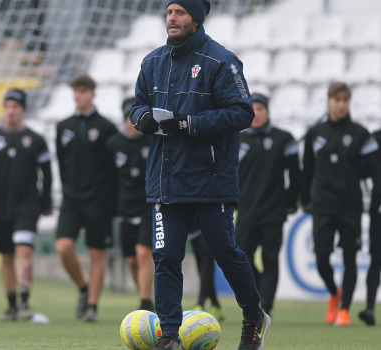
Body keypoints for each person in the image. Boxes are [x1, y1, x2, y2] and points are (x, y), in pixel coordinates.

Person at [131, 1, 271, 349]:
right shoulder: (152, 62)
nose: (172, 18)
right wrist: (141, 118)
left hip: (211, 178)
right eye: (168, 12)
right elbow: (136, 106)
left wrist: (189, 124)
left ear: (196, 18)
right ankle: (168, 337)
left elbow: (242, 112)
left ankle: (254, 315)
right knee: (165, 256)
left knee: (225, 252)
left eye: (179, 12)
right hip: (166, 180)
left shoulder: (221, 60)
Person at [302, 82, 379, 327]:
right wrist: (305, 199)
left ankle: (344, 310)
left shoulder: (360, 133)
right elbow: (307, 169)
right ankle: (334, 294)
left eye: (345, 100)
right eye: (337, 99)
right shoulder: (315, 133)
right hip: (323, 205)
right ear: (328, 101)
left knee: (350, 258)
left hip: (351, 206)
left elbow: (374, 169)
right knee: (321, 257)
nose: (341, 104)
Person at [0, 89, 52, 322]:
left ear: (23, 109)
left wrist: (45, 201)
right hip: (0, 205)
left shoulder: (35, 140)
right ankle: (11, 306)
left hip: (27, 205)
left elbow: (47, 173)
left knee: (24, 250)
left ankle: (25, 303)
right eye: (7, 106)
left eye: (15, 106)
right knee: (6, 256)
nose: (10, 110)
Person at [55, 75, 118, 322]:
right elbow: (62, 161)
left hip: (98, 200)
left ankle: (92, 306)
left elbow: (112, 168)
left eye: (83, 91)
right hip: (71, 199)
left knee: (96, 254)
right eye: (76, 91)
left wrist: (110, 200)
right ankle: (83, 287)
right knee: (63, 247)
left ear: (93, 93)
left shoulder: (106, 127)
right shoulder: (63, 126)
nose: (79, 95)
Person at [236, 93, 301, 317]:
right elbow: (230, 175)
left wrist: (291, 202)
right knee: (241, 255)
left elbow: (295, 174)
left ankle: (267, 305)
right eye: (252, 109)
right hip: (245, 211)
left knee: (270, 258)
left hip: (274, 211)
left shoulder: (284, 138)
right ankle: (262, 287)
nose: (256, 113)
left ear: (267, 111)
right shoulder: (238, 139)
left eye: (260, 109)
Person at [106, 97, 154, 312]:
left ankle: (145, 302)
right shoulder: (113, 143)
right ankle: (145, 297)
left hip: (148, 206)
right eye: (129, 117)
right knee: (132, 260)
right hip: (125, 207)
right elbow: (108, 177)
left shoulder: (152, 140)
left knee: (144, 252)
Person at [362, 128, 381, 326]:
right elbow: (364, 169)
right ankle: (369, 308)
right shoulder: (375, 138)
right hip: (379, 209)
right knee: (376, 258)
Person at [189, 228, 225, 321]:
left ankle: (200, 304)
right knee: (200, 266)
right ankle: (215, 305)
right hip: (192, 229)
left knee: (206, 262)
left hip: (206, 224)